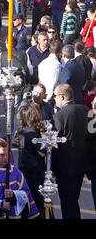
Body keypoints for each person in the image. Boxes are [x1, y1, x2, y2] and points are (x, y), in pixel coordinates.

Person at [51, 84, 89, 219]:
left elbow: (54, 145)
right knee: (73, 200)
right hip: (82, 166)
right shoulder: (85, 110)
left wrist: (52, 167)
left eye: (55, 96)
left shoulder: (59, 116)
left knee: (68, 203)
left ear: (62, 97)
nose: (54, 99)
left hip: (65, 169)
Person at [16, 102, 46, 215]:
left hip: (28, 169)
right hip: (34, 172)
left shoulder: (26, 130)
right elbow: (42, 151)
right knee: (36, 201)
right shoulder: (32, 132)